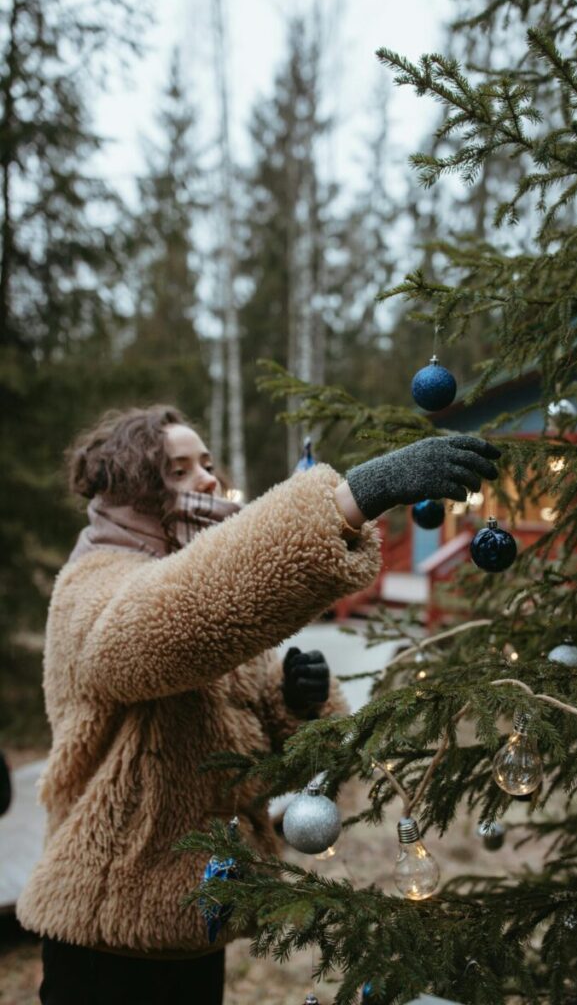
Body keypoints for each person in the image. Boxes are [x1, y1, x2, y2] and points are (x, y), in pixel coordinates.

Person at [16, 405, 500, 1005]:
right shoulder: (93, 583)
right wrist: (349, 499)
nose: (209, 480)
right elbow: (172, 623)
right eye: (180, 469)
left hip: (198, 930)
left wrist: (299, 703)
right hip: (102, 937)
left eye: (209, 464)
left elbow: (276, 755)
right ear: (134, 487)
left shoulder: (197, 589)